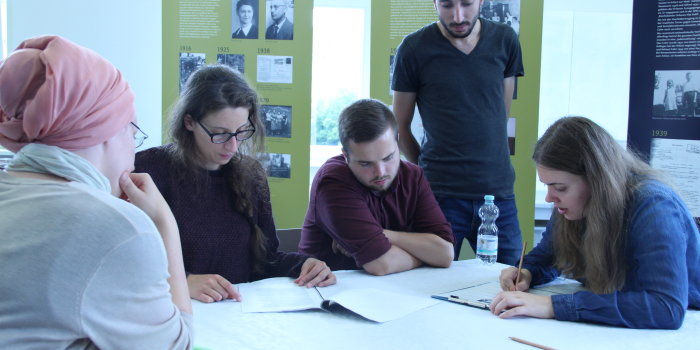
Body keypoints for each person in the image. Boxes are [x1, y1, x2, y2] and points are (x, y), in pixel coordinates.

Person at [0, 36, 192, 348]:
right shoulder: (117, 229)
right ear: (106, 130)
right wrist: (164, 223)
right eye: (133, 132)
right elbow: (177, 345)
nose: (133, 149)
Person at [135, 64, 335, 303]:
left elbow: (266, 261)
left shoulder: (251, 174)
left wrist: (305, 264)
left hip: (237, 315)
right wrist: (182, 281)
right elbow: (124, 261)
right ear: (189, 122)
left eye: (241, 131)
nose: (233, 146)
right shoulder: (149, 170)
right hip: (175, 314)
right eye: (220, 133)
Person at [490, 116, 700, 329]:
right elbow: (549, 255)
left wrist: (553, 306)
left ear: (597, 181)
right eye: (547, 186)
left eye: (560, 188)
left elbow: (665, 308)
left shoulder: (654, 207)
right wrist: (527, 271)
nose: (549, 198)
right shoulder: (573, 206)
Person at [392, 0, 525, 264]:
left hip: (497, 194)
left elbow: (500, 114)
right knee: (429, 286)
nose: (458, 16)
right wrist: (425, 170)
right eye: (447, 5)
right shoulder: (413, 48)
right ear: (434, 3)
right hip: (440, 195)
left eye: (466, 4)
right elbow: (399, 127)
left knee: (509, 283)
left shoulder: (505, 40)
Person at [299, 99, 455, 276]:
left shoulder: (413, 176)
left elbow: (445, 253)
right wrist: (425, 256)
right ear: (346, 156)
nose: (380, 172)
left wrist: (382, 235)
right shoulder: (332, 181)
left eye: (388, 158)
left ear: (397, 144)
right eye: (365, 163)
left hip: (397, 290)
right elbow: (382, 264)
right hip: (330, 293)